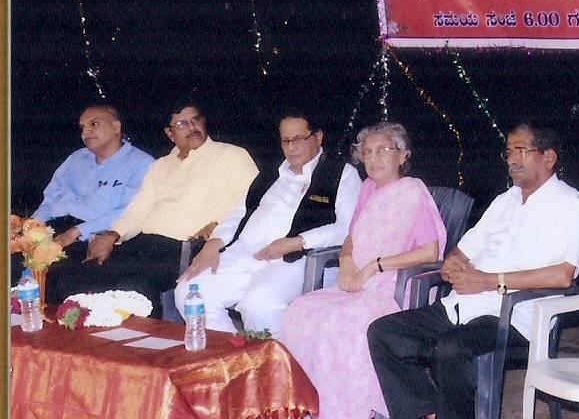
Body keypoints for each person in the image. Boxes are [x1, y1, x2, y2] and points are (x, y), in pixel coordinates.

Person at [367, 122, 579, 419]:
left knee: (451, 347)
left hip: (517, 314)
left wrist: (489, 281)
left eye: (522, 151)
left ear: (549, 157)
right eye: (509, 152)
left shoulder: (569, 204)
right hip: (465, 304)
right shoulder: (505, 202)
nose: (512, 159)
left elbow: (564, 275)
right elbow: (463, 250)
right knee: (385, 333)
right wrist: (454, 264)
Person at [281, 122, 446, 419]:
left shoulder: (412, 191)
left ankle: (347, 407)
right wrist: (346, 263)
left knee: (342, 320)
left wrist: (375, 266)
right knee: (300, 310)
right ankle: (311, 405)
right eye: (367, 152)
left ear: (403, 155)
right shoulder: (369, 188)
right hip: (358, 281)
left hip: (394, 285)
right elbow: (351, 237)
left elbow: (430, 251)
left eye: (383, 150)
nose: (373, 158)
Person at [173, 110, 362, 334]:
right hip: (245, 254)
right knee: (188, 291)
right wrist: (213, 243)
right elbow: (239, 212)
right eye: (285, 141)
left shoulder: (341, 173)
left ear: (318, 137)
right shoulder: (271, 173)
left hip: (293, 260)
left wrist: (296, 242)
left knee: (258, 305)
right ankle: (231, 352)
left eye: (298, 139)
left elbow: (347, 228)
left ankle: (273, 355)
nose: (291, 147)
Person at [81, 99, 258, 317]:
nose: (192, 127)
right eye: (182, 124)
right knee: (84, 279)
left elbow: (252, 203)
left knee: (131, 291)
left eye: (195, 120)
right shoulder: (161, 165)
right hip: (143, 246)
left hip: (183, 250)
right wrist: (112, 235)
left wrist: (217, 225)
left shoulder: (231, 156)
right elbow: (138, 210)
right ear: (170, 133)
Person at [10, 105, 154, 303]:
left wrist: (76, 232)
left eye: (94, 124)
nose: (86, 132)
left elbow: (129, 211)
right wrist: (31, 228)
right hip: (52, 229)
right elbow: (50, 199)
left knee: (61, 284)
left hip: (91, 236)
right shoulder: (76, 158)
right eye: (82, 127)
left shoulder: (141, 164)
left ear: (116, 127)